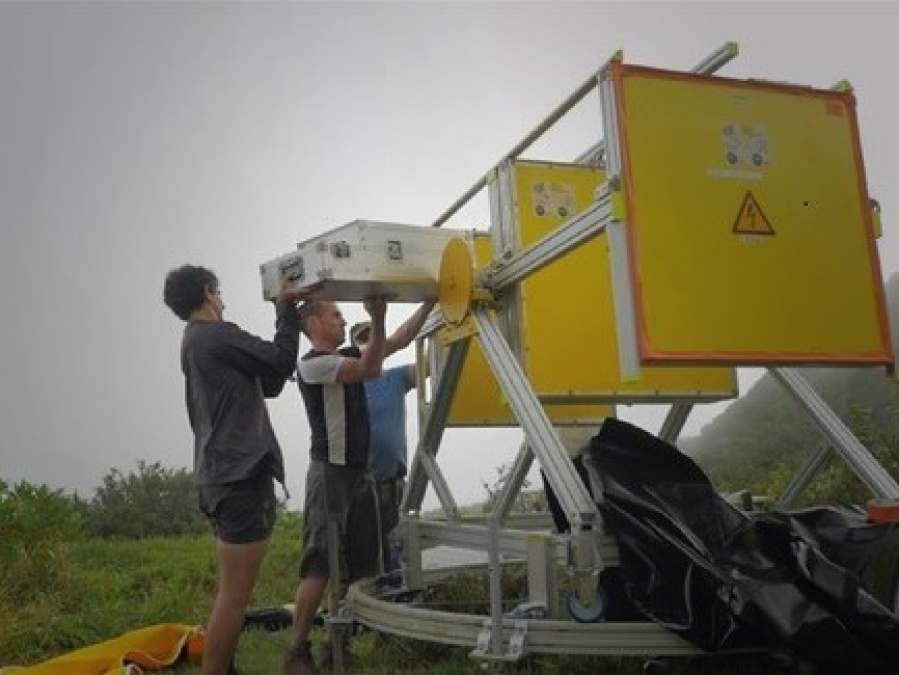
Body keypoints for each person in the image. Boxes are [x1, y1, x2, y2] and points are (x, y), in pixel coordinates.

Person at [162, 264, 313, 675]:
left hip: (219, 478)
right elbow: (281, 362)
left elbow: (269, 382)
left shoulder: (195, 342)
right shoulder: (216, 335)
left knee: (232, 595)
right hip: (239, 478)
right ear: (209, 293)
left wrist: (283, 335)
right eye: (220, 292)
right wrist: (285, 310)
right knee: (234, 599)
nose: (223, 300)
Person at [283, 296, 435, 675]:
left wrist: (429, 303)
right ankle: (296, 652)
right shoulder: (314, 365)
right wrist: (378, 313)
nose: (342, 319)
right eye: (335, 314)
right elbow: (370, 368)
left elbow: (398, 339)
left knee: (348, 567)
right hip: (329, 475)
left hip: (357, 474)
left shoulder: (345, 354)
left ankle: (336, 647)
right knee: (319, 564)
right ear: (314, 322)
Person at [349, 298, 435, 575]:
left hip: (393, 481)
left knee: (393, 547)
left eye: (371, 337)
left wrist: (437, 311)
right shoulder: (348, 380)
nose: (368, 343)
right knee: (363, 551)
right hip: (361, 483)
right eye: (361, 339)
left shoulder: (396, 377)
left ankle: (394, 590)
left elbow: (432, 363)